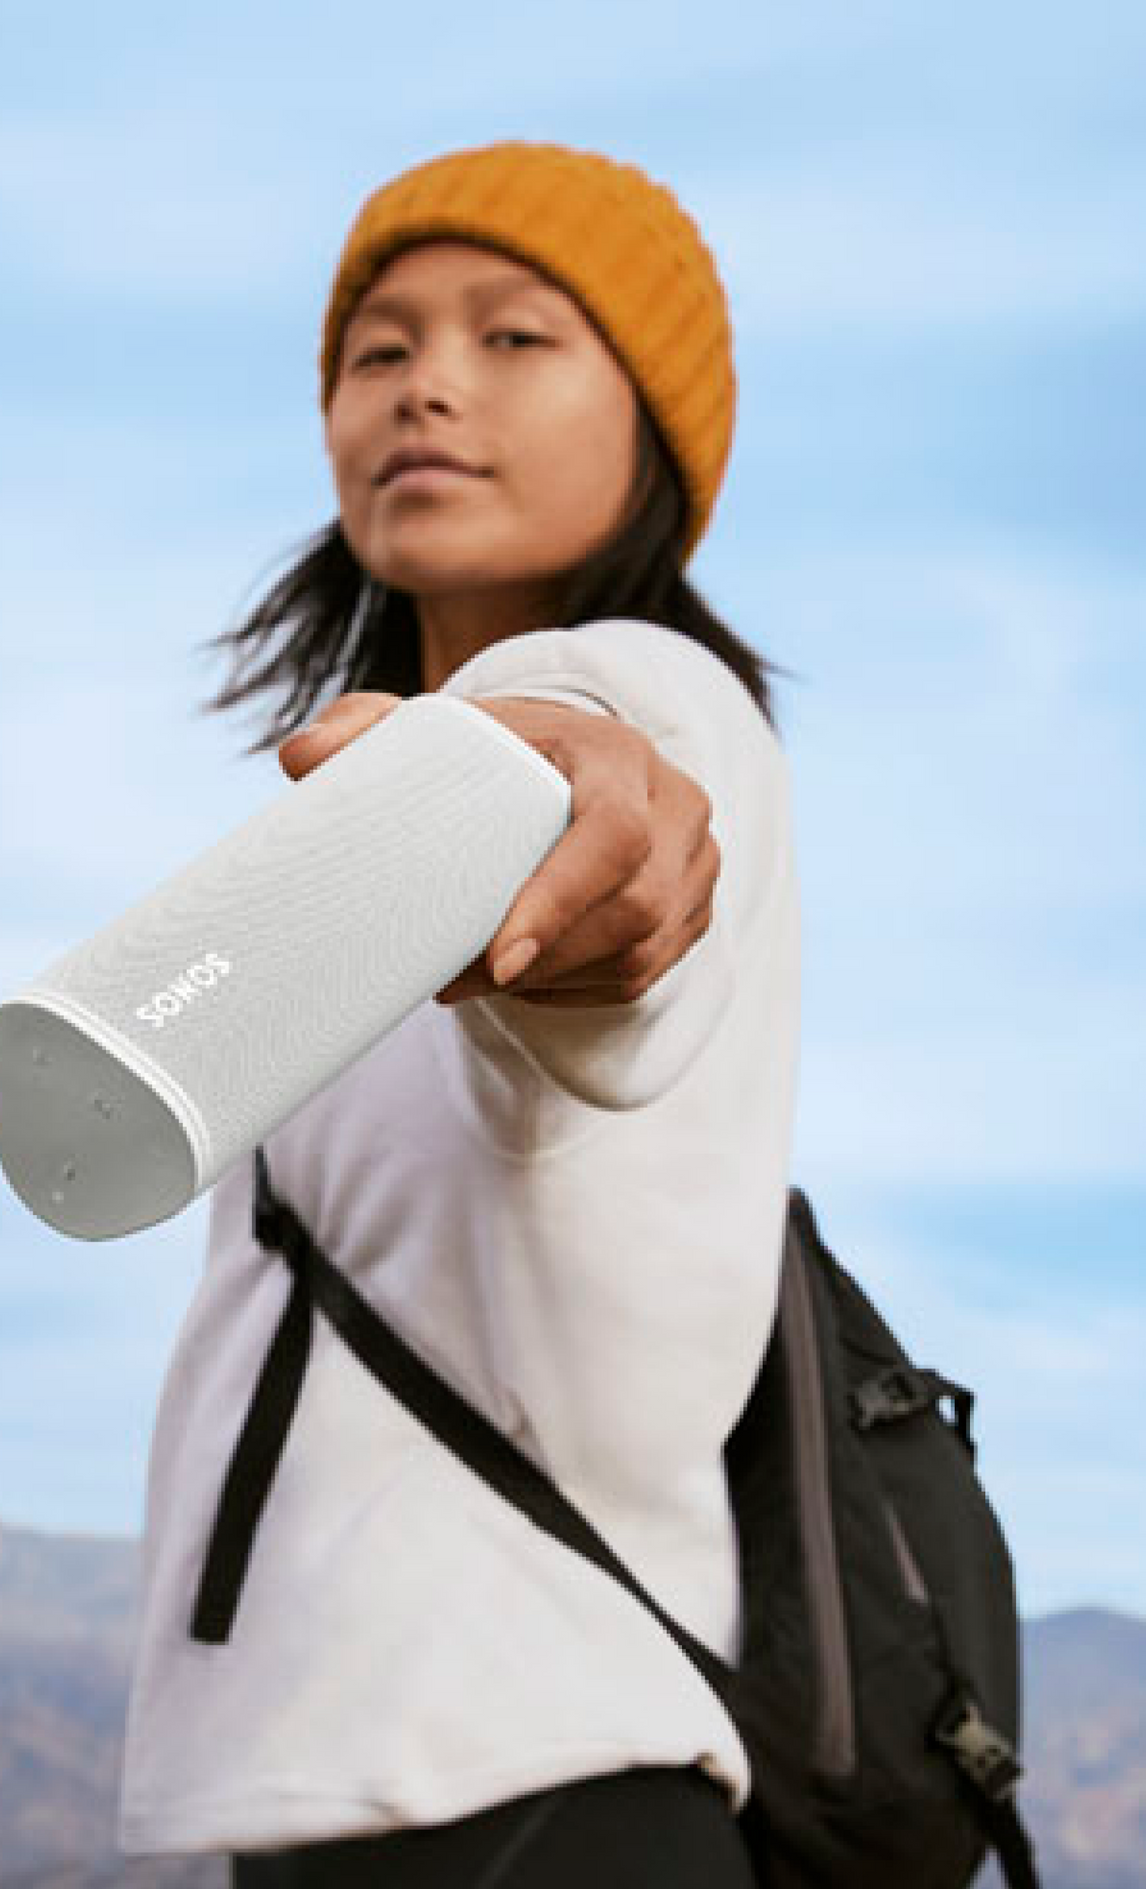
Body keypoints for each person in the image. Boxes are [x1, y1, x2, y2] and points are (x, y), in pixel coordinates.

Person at [114, 140, 804, 1887]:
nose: (427, 384)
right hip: (357, 1786)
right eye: (379, 348)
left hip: (536, 1786)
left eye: (514, 337)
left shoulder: (645, 694)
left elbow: (609, 806)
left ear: (653, 430)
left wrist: (592, 840)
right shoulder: (368, 811)